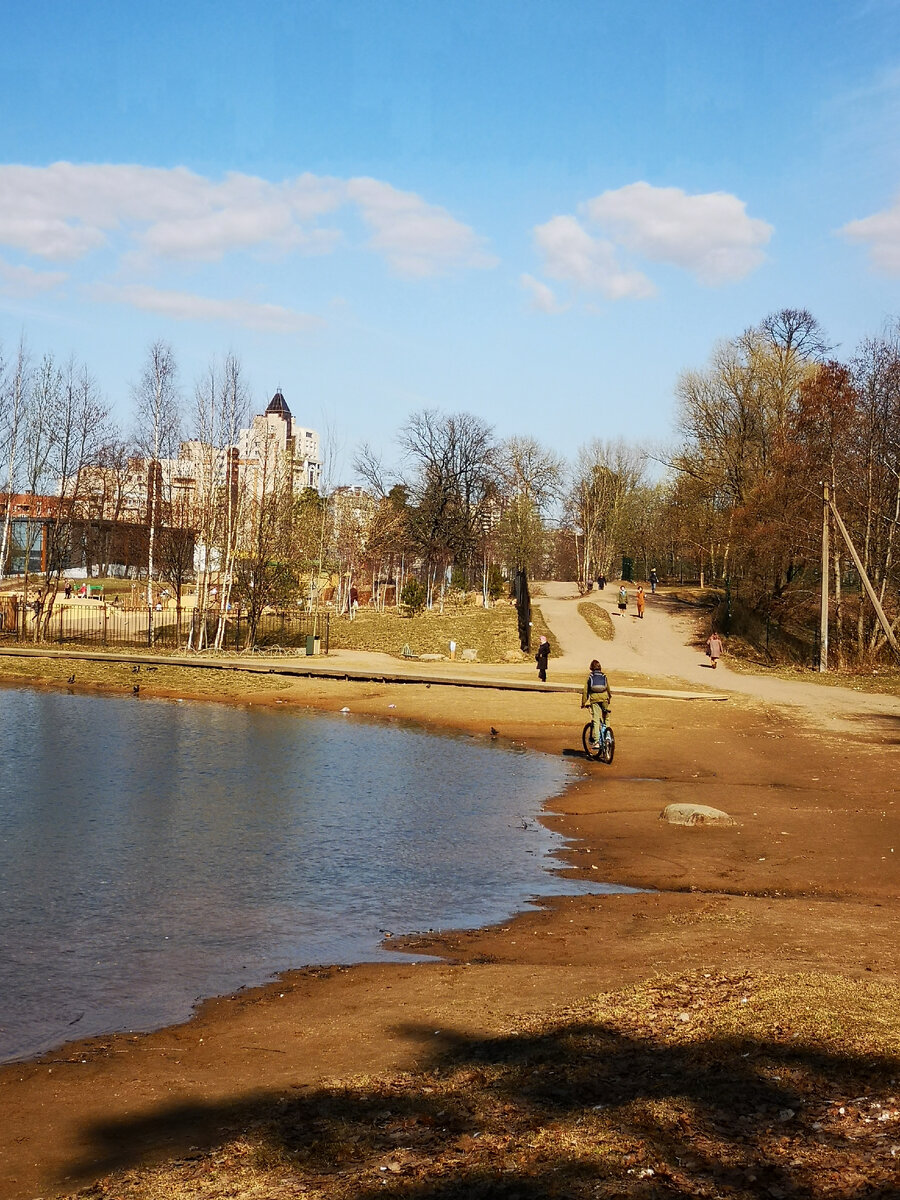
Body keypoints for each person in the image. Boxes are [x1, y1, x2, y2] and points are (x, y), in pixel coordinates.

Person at [581, 658, 612, 749]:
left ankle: (597, 741)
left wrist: (583, 703)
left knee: (596, 719)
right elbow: (608, 688)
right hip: (604, 698)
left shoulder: (590, 676)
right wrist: (609, 698)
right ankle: (608, 737)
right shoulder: (604, 675)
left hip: (595, 700)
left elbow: (585, 691)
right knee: (606, 717)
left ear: (591, 667)